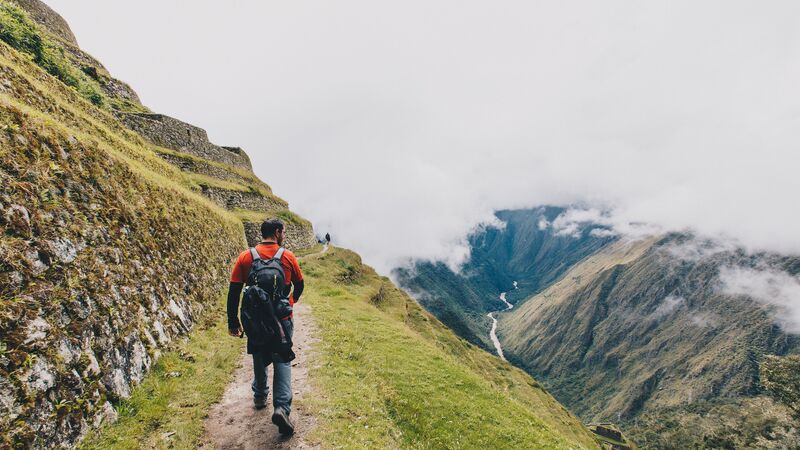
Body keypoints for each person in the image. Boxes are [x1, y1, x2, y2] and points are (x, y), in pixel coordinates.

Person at [227, 219, 304, 436]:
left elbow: (234, 291)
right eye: (283, 232)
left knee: (259, 353)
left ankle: (260, 395)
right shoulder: (287, 256)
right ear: (277, 232)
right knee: (282, 359)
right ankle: (281, 408)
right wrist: (290, 302)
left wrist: (233, 321)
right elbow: (300, 285)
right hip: (282, 318)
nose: (284, 235)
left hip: (256, 318)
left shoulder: (246, 257)